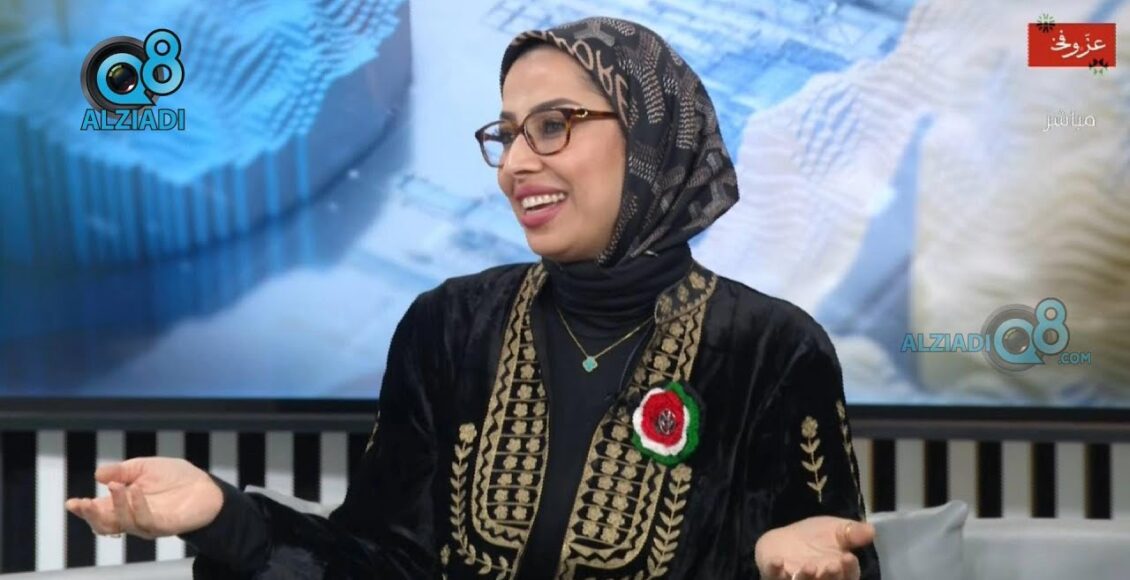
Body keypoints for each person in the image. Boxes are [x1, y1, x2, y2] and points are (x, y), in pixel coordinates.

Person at [66, 16, 880, 580]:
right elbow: (381, 562)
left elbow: (831, 553)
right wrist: (222, 515)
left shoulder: (774, 349)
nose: (515, 164)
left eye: (552, 125)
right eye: (507, 133)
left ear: (651, 136)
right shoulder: (450, 326)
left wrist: (787, 563)